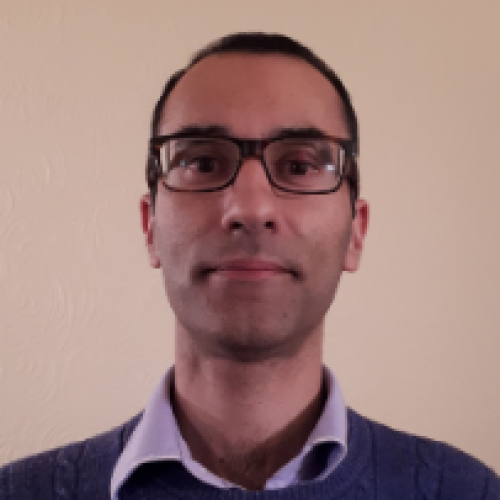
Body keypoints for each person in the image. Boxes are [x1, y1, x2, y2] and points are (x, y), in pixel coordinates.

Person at [1, 32, 498, 500]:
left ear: (356, 232)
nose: (251, 208)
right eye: (202, 162)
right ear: (150, 227)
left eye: (300, 166)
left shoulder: (465, 491)